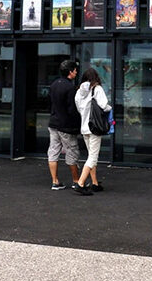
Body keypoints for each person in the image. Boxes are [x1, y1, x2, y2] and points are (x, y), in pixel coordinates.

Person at [74, 67, 112, 195]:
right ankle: (80, 183)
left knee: (91, 155)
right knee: (93, 158)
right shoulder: (97, 89)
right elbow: (104, 105)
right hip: (94, 127)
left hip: (84, 127)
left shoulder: (79, 92)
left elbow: (79, 108)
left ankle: (95, 183)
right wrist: (109, 108)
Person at [47, 60, 81, 191]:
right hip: (66, 125)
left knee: (53, 151)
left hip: (53, 122)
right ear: (70, 72)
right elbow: (72, 109)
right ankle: (76, 180)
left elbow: (49, 103)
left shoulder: (54, 84)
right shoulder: (70, 87)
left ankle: (55, 181)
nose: (76, 72)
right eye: (75, 70)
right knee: (72, 151)